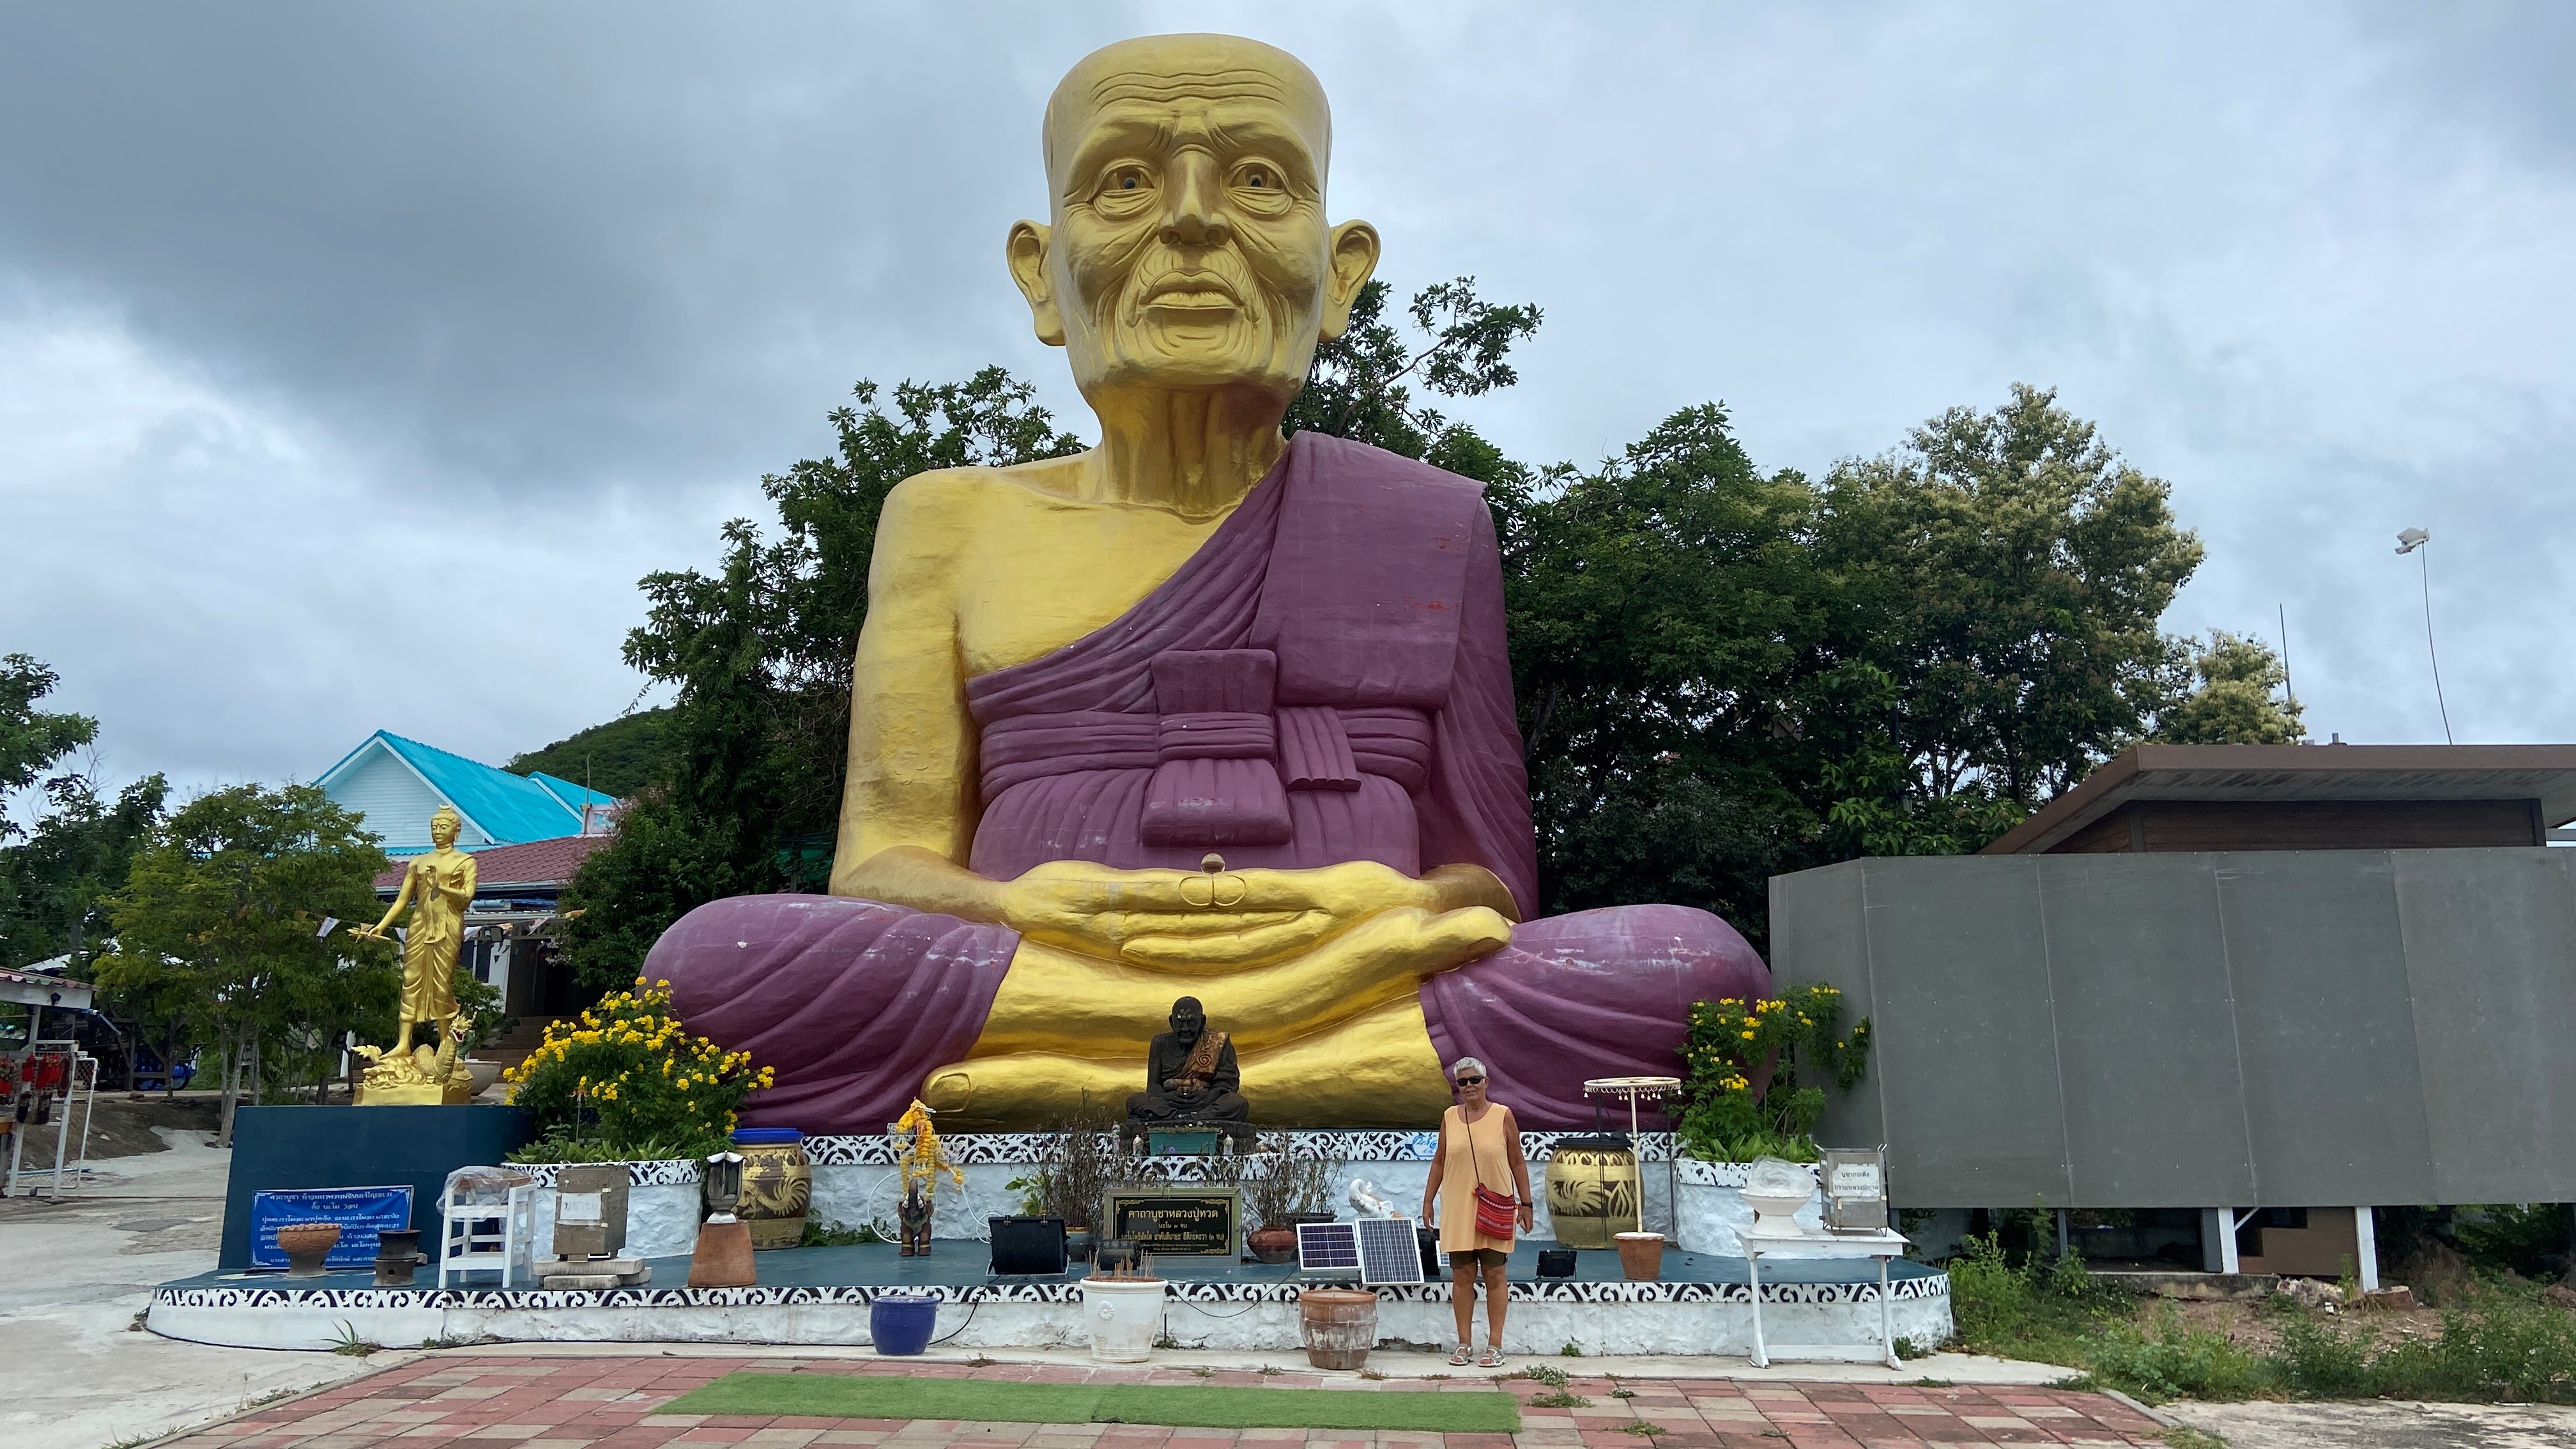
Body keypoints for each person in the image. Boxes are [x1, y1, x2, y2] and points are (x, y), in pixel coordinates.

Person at [645, 34, 1771, 1133]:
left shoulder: (1430, 518)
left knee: (1695, 969)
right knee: (711, 964)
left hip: (1347, 952)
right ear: (1043, 273)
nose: (1191, 219)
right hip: (1053, 958)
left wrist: (1384, 912)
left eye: (1259, 181)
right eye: (1125, 181)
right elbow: (882, 861)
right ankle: (1314, 1069)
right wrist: (1015, 905)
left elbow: (1486, 884)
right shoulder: (948, 518)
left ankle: (1080, 1082)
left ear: (1338, 274)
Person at [1422, 1056, 1531, 1368]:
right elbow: (1440, 1161)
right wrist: (1428, 1201)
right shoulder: (1449, 1117)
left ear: (1486, 1082)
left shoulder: (1502, 1116)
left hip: (1495, 1205)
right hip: (1459, 1208)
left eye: (1474, 1080)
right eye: (1463, 1082)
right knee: (1462, 1276)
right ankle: (1464, 1343)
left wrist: (1526, 1204)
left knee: (1495, 1273)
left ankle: (1495, 1345)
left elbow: (1517, 1161)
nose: (1469, 1086)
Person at [351, 804, 476, 1064]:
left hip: (447, 926)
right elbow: (402, 900)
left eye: (444, 827)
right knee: (411, 980)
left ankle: (444, 1044)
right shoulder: (418, 862)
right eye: (434, 827)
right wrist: (382, 925)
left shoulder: (465, 862)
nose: (438, 832)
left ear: (457, 831)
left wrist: (440, 886)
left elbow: (466, 897)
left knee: (442, 984)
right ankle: (403, 1043)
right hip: (420, 926)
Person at [1126, 995, 1254, 1142]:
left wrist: (1205, 1097)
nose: (1185, 1029)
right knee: (1135, 1101)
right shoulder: (1160, 1043)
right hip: (1169, 1105)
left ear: (1202, 1022)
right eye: (1180, 1023)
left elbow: (1227, 1085)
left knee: (1238, 1103)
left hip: (1205, 1104)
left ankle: (1186, 1120)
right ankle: (1186, 1120)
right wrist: (1168, 1097)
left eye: (1192, 1023)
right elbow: (1153, 1087)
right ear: (1171, 1022)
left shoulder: (1218, 1043)